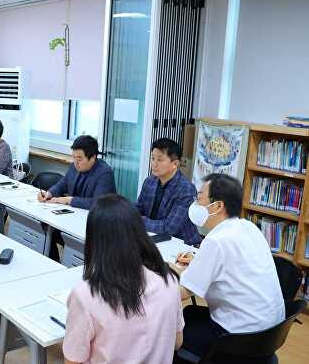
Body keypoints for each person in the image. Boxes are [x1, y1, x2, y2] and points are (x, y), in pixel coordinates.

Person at [173, 174, 285, 359]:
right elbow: (234, 264)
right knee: (190, 314)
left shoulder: (217, 240)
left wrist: (155, 281)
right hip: (268, 333)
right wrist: (198, 261)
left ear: (217, 206)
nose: (195, 203)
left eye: (199, 198)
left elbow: (182, 293)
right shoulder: (248, 227)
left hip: (237, 339)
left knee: (171, 331)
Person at [63, 194, 183, 364]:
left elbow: (73, 360)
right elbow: (177, 343)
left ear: (94, 239)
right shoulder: (168, 280)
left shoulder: (86, 294)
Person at [135, 138, 200, 245]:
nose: (154, 164)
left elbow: (169, 228)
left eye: (159, 160)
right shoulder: (149, 181)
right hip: (155, 238)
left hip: (182, 245)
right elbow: (138, 208)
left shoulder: (186, 189)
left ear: (175, 164)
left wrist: (137, 220)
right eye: (153, 158)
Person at [39, 135, 116, 210]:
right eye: (73, 157)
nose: (75, 162)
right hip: (75, 214)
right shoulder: (74, 166)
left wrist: (70, 200)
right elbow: (62, 185)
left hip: (95, 218)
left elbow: (98, 203)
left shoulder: (105, 173)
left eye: (79, 159)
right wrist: (49, 193)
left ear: (93, 157)